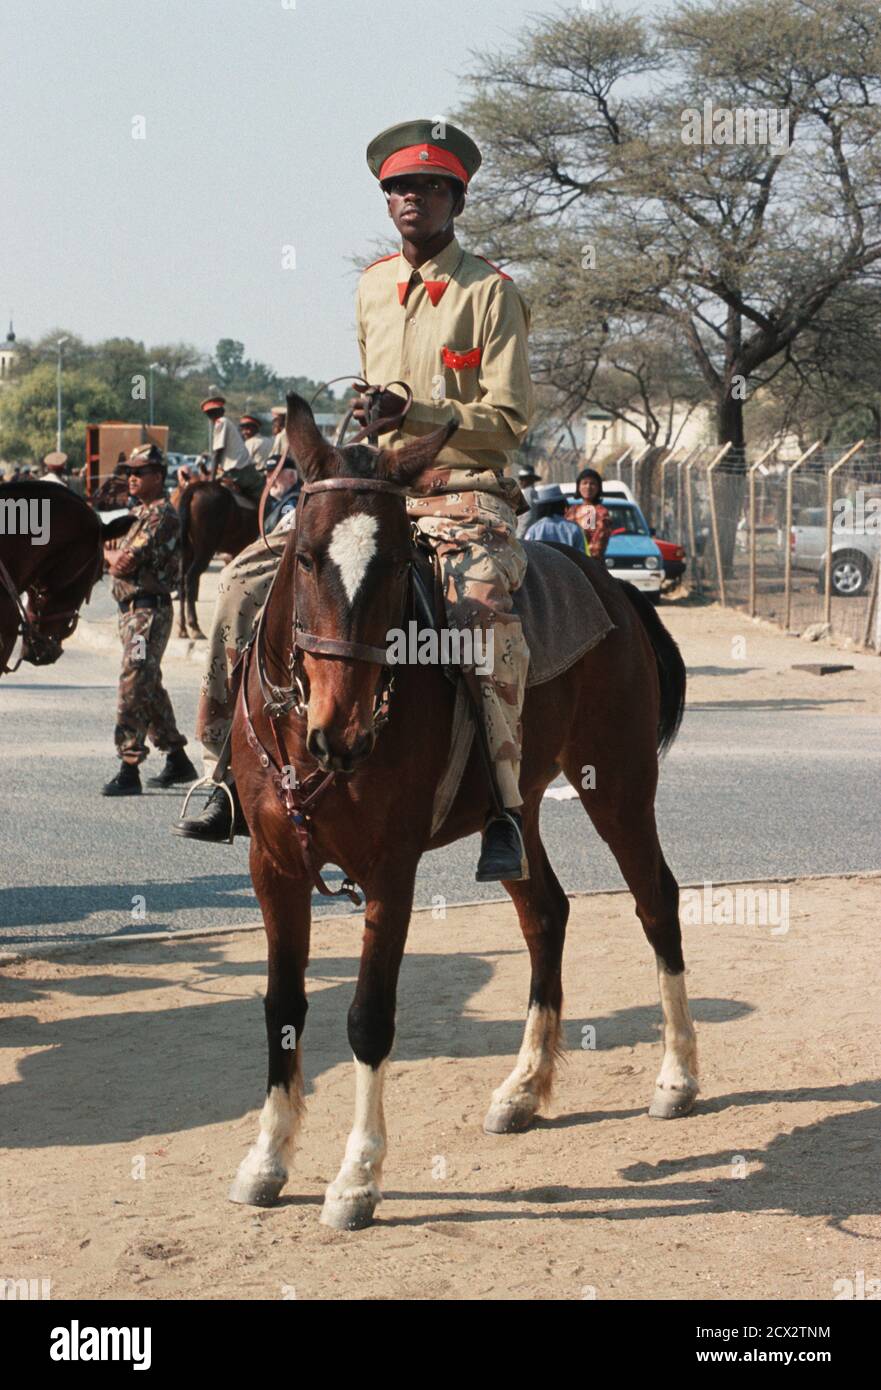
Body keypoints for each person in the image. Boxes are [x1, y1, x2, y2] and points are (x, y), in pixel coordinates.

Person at [176, 118, 533, 883]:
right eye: (399, 188)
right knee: (244, 580)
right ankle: (219, 770)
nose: (413, 200)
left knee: (476, 613)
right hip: (378, 492)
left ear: (456, 202)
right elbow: (374, 397)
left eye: (431, 188)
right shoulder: (373, 285)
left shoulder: (492, 293)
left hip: (465, 490)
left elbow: (508, 421)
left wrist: (426, 419)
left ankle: (504, 805)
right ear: (387, 201)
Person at [101, 444, 197, 796]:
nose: (131, 478)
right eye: (129, 472)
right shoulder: (140, 513)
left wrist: (104, 552)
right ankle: (177, 759)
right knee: (149, 683)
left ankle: (129, 765)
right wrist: (111, 554)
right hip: (133, 611)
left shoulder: (160, 516)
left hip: (148, 612)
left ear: (158, 476)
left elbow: (124, 561)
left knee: (134, 679)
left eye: (139, 472)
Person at [200, 395, 265, 503]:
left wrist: (213, 477)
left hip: (236, 470)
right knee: (263, 493)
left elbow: (218, 452)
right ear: (222, 410)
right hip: (241, 471)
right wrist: (212, 480)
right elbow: (218, 452)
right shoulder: (223, 422)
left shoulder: (221, 423)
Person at [524, 483, 587, 552]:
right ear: (561, 504)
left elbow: (527, 554)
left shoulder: (534, 530)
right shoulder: (573, 528)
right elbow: (582, 556)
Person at [566, 467, 613, 558]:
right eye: (584, 483)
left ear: (598, 488)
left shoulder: (598, 512)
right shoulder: (573, 510)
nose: (588, 487)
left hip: (588, 563)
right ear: (578, 487)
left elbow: (595, 545)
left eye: (592, 484)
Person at [515, 463, 541, 537]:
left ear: (531, 479)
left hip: (525, 535)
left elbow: (527, 517)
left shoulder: (528, 493)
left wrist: (520, 536)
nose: (520, 481)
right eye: (520, 479)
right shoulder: (533, 493)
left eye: (523, 479)